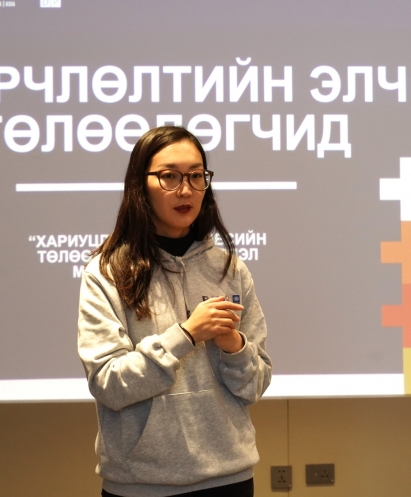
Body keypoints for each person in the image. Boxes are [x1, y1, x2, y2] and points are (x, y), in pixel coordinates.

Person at [77, 126, 272, 497]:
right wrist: (186, 335)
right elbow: (108, 384)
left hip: (229, 478)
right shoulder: (106, 272)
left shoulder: (229, 269)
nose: (186, 190)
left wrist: (234, 347)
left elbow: (254, 386)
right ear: (140, 186)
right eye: (170, 176)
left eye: (196, 176)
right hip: (140, 485)